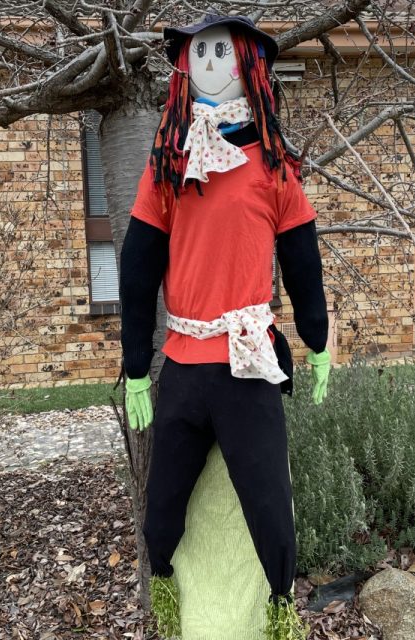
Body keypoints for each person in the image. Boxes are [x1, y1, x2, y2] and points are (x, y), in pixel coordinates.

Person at [119, 13, 331, 639]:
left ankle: (278, 615)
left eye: (222, 51)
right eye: (200, 52)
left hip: (248, 368)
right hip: (184, 368)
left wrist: (317, 342)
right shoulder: (167, 166)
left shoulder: (273, 167)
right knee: (162, 516)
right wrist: (136, 367)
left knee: (270, 512)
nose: (210, 62)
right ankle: (174, 611)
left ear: (248, 65)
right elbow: (138, 269)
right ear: (185, 67)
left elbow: (303, 262)